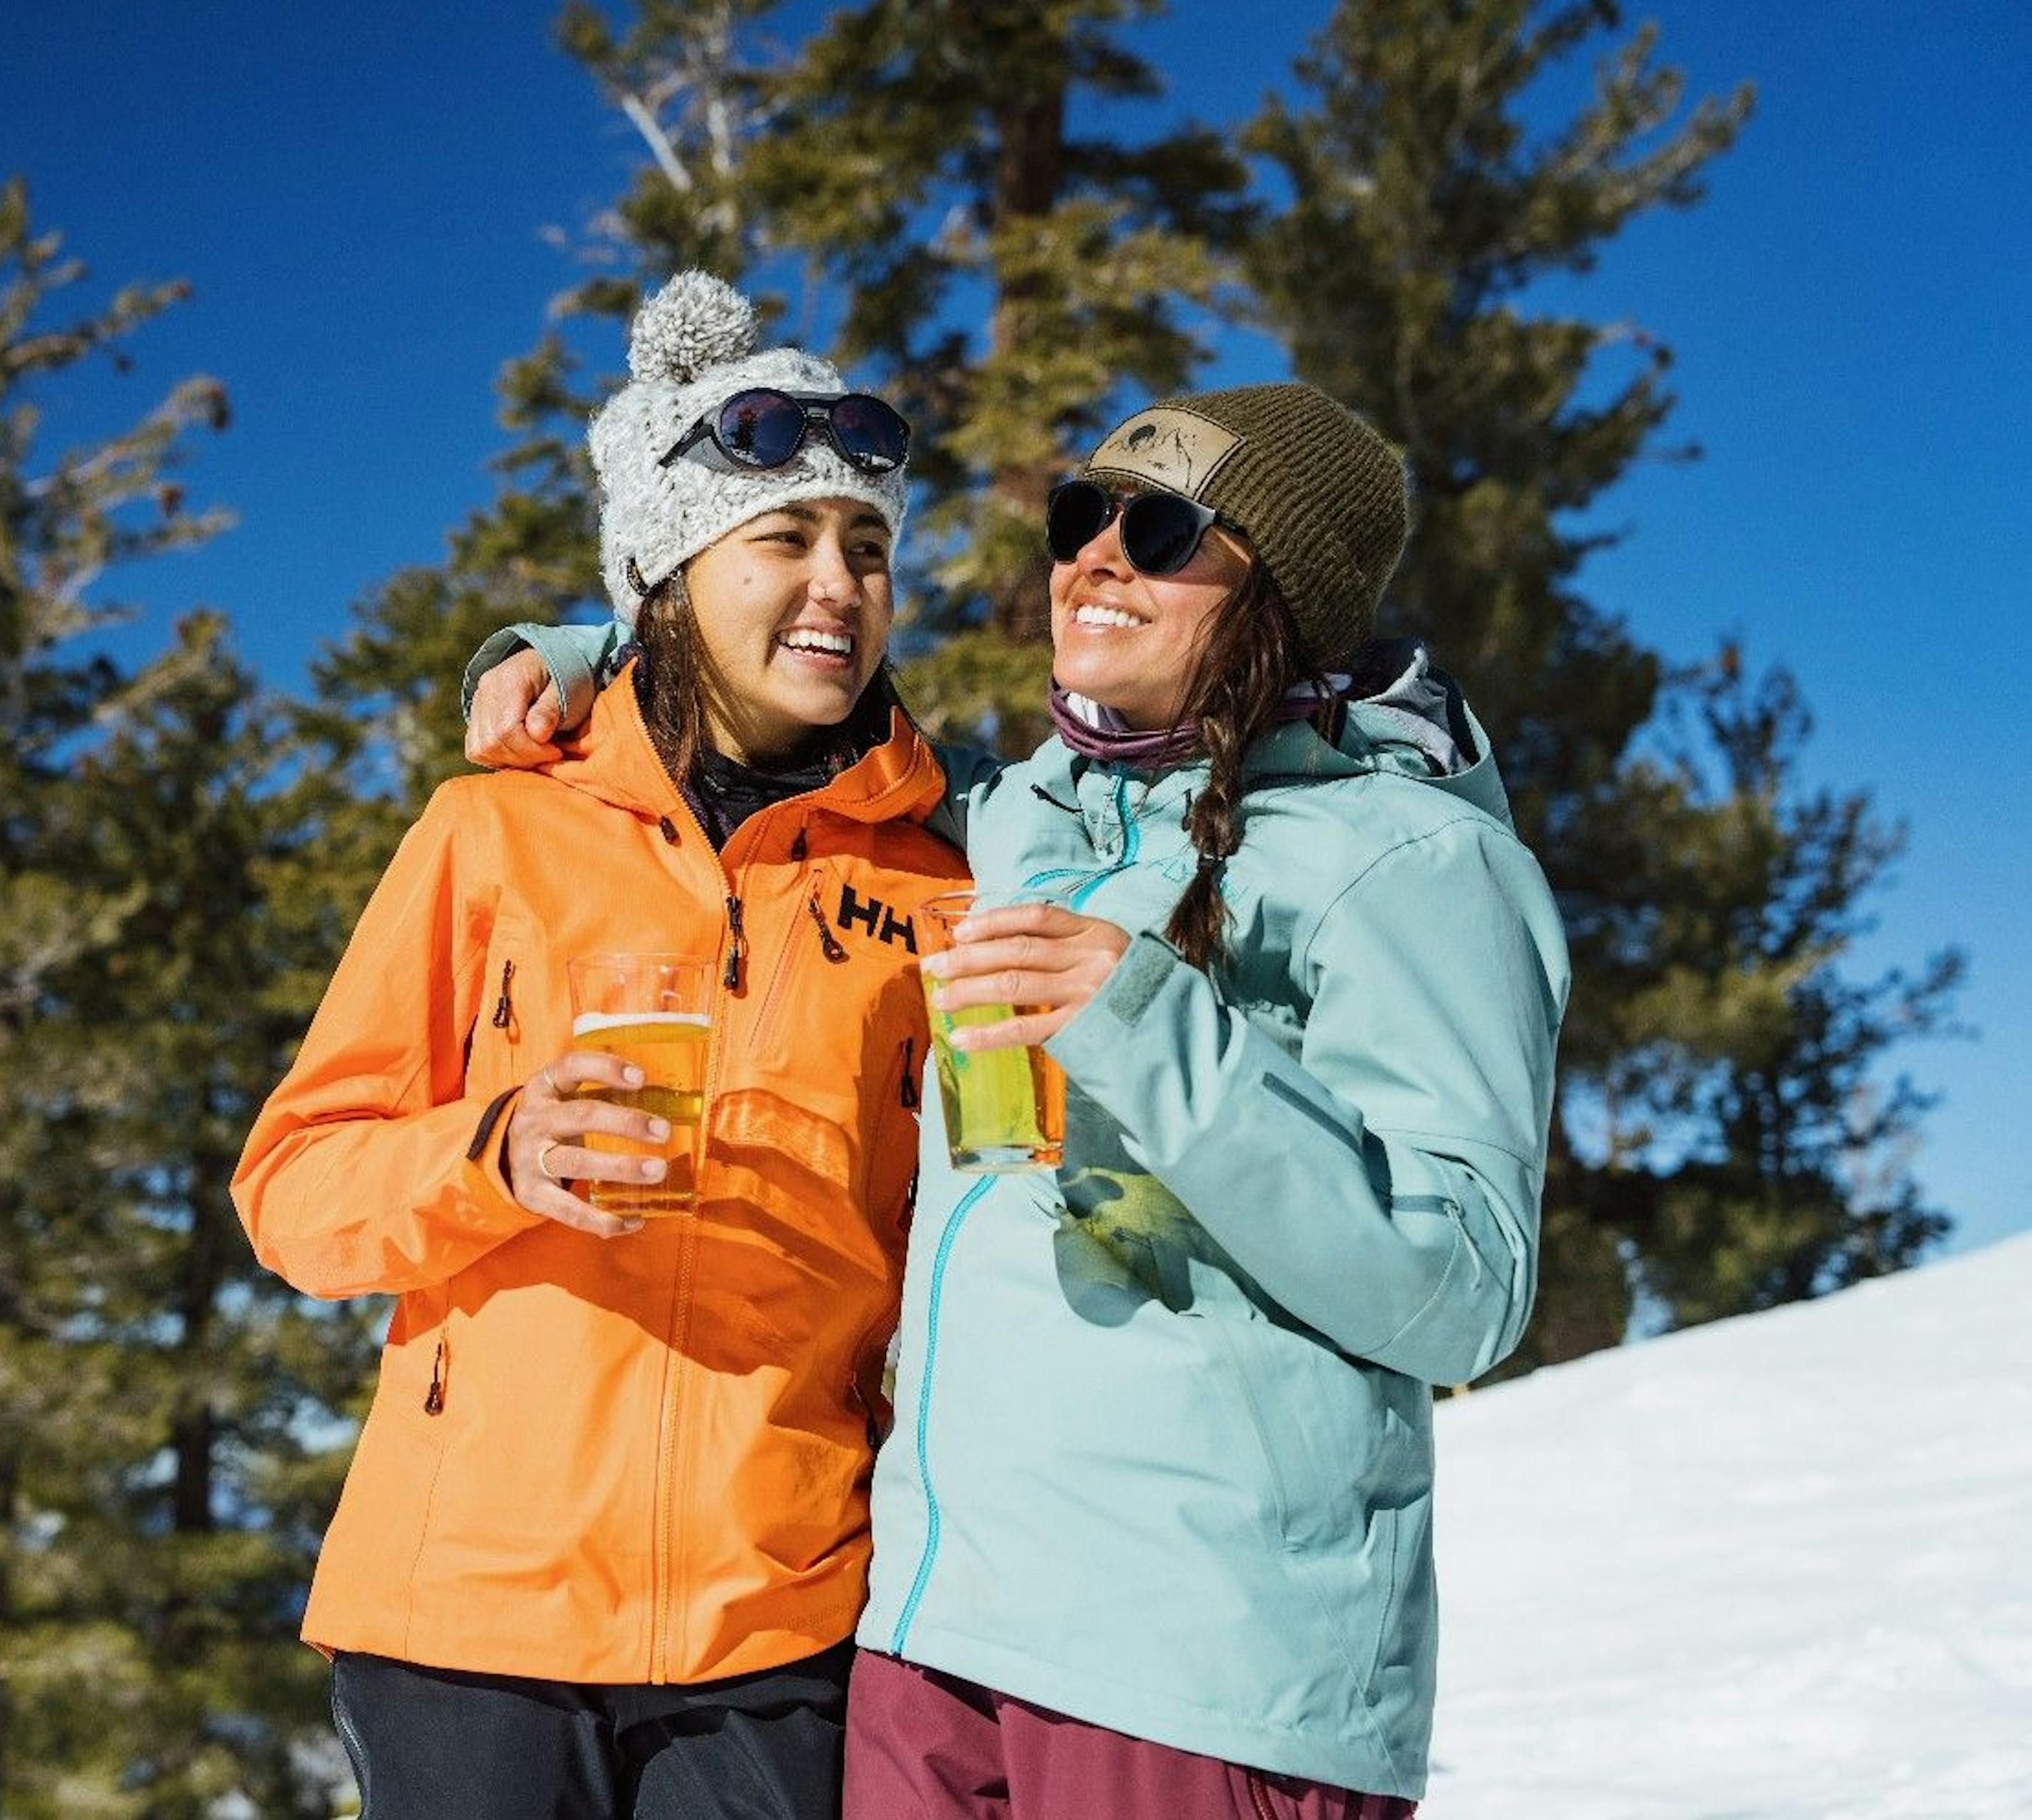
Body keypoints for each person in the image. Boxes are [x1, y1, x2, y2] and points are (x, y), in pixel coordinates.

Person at [463, 382, 1570, 1816]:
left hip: (1200, 1665)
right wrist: (582, 650)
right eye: (1079, 516)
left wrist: (1148, 1023)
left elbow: (1464, 1287)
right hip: (937, 1643)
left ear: (1286, 593)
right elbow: (799, 686)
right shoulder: (1014, 819)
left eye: (1163, 529)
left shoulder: (1406, 861)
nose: (1094, 558)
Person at [233, 270, 968, 1820]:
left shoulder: (936, 883)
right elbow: (294, 1186)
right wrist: (493, 1151)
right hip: (468, 1619)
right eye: (784, 538)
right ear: (667, 572)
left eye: (869, 545)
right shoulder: (492, 828)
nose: (838, 582)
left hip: (774, 1619)